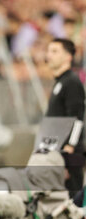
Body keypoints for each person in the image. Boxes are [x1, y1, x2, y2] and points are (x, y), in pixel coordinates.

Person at [46, 38, 85, 197]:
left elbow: (77, 118)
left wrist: (70, 147)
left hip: (68, 151)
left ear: (68, 57)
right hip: (56, 147)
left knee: (71, 196)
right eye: (49, 51)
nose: (49, 55)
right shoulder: (60, 81)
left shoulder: (72, 82)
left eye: (55, 51)